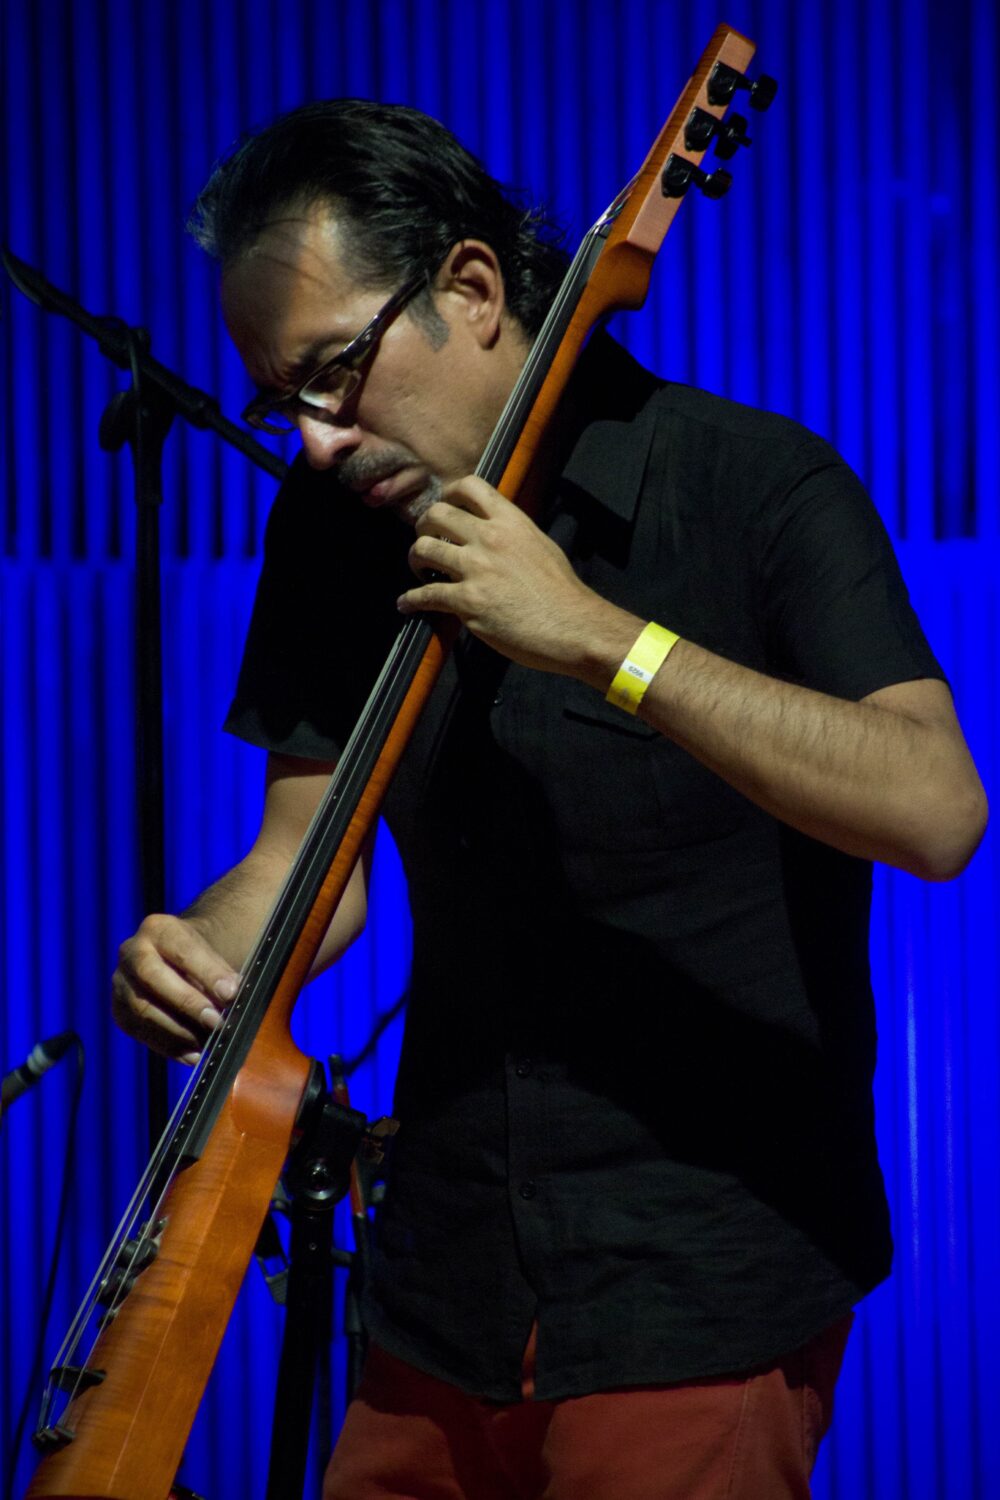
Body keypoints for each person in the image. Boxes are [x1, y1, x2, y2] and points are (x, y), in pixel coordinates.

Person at [112, 101, 987, 1499]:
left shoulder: (751, 483)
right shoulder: (331, 530)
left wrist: (598, 637)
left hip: (696, 1280)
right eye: (286, 402)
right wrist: (203, 949)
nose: (319, 440)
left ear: (470, 287)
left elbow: (935, 807)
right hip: (439, 1284)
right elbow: (306, 862)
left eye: (337, 373)